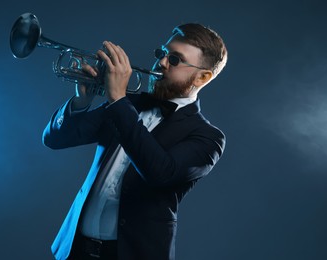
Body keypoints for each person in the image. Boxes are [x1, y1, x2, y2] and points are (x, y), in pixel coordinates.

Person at [43, 23, 228, 260]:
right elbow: (55, 139)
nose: (161, 63)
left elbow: (160, 172)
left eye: (174, 59)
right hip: (75, 250)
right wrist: (81, 100)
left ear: (202, 77)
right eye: (161, 53)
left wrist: (118, 100)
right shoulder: (127, 104)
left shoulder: (208, 137)